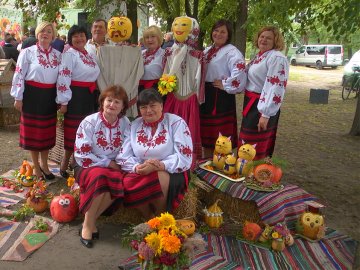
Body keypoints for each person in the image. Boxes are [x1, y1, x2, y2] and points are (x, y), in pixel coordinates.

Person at [116, 88, 193, 219]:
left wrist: (160, 165)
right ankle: (149, 217)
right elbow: (123, 156)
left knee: (158, 178)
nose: (148, 110)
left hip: (171, 170)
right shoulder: (134, 125)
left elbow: (184, 156)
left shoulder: (176, 123)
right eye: (144, 107)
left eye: (153, 106)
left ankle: (161, 216)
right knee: (127, 184)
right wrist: (137, 167)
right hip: (141, 169)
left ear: (161, 105)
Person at [74, 85, 130, 248]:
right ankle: (87, 226)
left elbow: (128, 147)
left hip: (115, 166)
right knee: (101, 176)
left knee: (118, 180)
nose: (112, 104)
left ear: (123, 106)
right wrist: (108, 163)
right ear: (102, 102)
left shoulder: (125, 123)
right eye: (109, 100)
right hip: (87, 162)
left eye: (117, 102)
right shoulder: (90, 122)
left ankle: (89, 223)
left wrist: (120, 163)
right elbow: (82, 151)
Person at [10, 22, 61, 180]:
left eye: (49, 31)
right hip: (32, 96)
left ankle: (45, 166)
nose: (45, 34)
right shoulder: (27, 52)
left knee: (45, 135)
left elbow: (62, 78)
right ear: (37, 34)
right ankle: (36, 167)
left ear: (53, 36)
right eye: (42, 31)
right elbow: (19, 75)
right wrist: (18, 97)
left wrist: (61, 99)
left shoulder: (58, 55)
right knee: (34, 135)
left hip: (49, 97)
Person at [57, 25, 100, 179]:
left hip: (89, 97)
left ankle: (78, 165)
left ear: (86, 37)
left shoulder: (89, 54)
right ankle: (65, 164)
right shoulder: (70, 55)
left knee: (85, 132)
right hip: (75, 97)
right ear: (70, 39)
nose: (79, 38)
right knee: (73, 132)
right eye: (75, 36)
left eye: (82, 35)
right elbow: (63, 77)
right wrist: (64, 102)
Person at [239, 26, 289, 160]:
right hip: (251, 104)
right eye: (262, 36)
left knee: (254, 146)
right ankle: (245, 172)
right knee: (246, 145)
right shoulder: (260, 56)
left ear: (275, 41)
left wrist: (266, 114)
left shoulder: (277, 58)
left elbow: (276, 87)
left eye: (269, 38)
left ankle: (255, 175)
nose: (264, 40)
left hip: (262, 107)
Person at [200, 20, 247, 157]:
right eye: (216, 30)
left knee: (220, 135)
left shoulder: (232, 52)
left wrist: (226, 83)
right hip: (206, 96)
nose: (218, 34)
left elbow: (240, 70)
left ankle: (223, 166)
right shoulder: (208, 50)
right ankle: (207, 165)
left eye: (223, 32)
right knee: (207, 135)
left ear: (228, 35)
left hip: (220, 97)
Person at [163, 16, 204, 168]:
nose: (179, 27)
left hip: (189, 99)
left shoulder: (198, 55)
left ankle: (187, 164)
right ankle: (168, 161)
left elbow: (198, 80)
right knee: (170, 131)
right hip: (172, 98)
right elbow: (166, 74)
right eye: (176, 24)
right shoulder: (169, 53)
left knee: (188, 131)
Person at [138, 25, 165, 95]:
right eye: (147, 37)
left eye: (153, 36)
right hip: (139, 89)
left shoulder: (164, 54)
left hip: (156, 90)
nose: (149, 40)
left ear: (159, 38)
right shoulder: (140, 53)